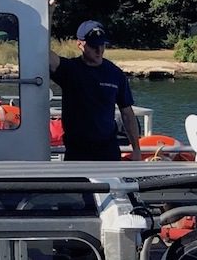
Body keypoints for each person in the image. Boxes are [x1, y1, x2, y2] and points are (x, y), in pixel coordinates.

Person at [49, 20, 142, 162]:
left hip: (108, 152)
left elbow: (127, 113)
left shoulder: (115, 74)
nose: (99, 51)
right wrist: (48, 15)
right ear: (80, 44)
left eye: (102, 45)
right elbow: (42, 50)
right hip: (77, 153)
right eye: (93, 46)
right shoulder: (70, 70)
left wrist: (136, 149)